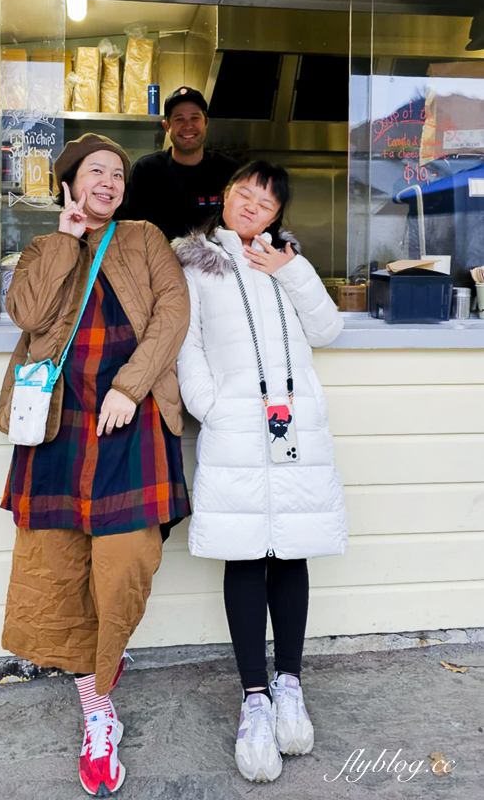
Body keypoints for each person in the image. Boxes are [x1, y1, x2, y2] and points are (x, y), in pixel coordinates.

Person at [0, 132, 191, 797]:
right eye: (94, 172)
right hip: (57, 427)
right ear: (70, 185)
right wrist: (63, 240)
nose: (107, 181)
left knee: (125, 563)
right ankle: (97, 708)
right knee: (56, 568)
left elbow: (173, 313)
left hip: (125, 423)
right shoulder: (42, 249)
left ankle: (103, 670)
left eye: (116, 174)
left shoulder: (144, 239)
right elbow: (25, 312)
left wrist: (129, 386)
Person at [172, 159, 347, 784]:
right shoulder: (193, 263)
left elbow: (328, 330)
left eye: (266, 202)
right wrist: (211, 406)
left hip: (295, 428)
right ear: (225, 197)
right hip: (238, 428)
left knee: (290, 552)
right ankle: (254, 699)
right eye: (244, 194)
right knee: (245, 555)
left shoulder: (286, 262)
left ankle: (290, 684)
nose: (251, 207)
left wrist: (291, 269)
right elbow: (185, 343)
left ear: (278, 215)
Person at [121, 85, 237, 240]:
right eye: (179, 119)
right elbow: (129, 228)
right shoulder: (146, 171)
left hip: (216, 261)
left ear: (206, 122)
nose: (188, 126)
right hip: (158, 261)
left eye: (195, 118)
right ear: (166, 126)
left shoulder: (227, 170)